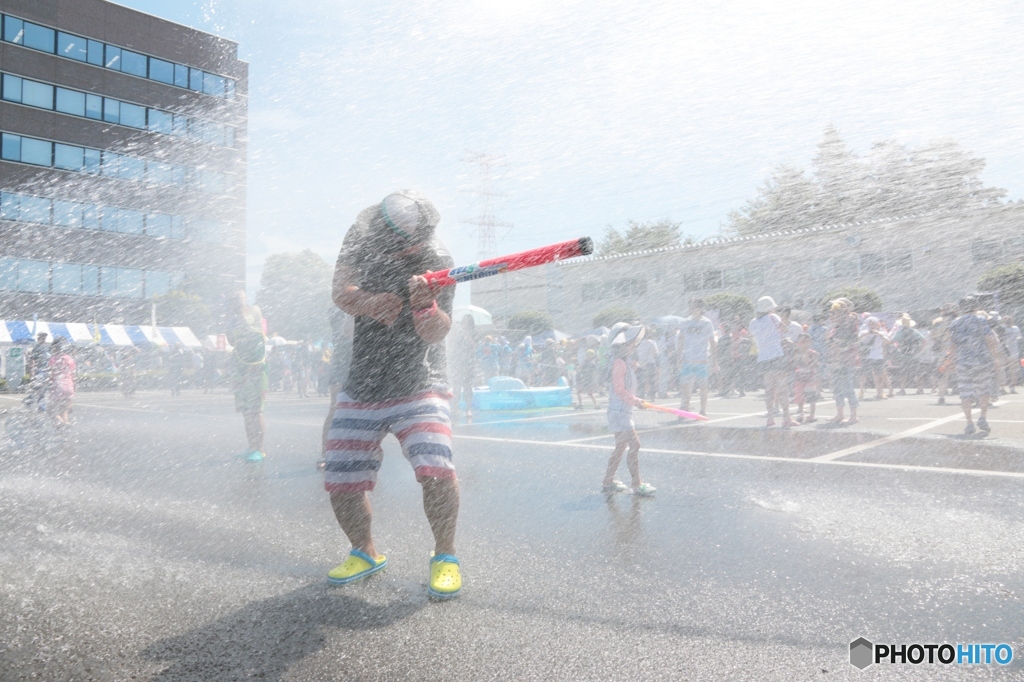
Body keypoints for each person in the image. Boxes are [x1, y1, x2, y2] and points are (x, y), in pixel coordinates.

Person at [325, 190, 461, 599]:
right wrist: (366, 301)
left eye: (418, 239)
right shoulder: (359, 238)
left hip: (419, 381)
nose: (413, 247)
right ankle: (364, 552)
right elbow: (339, 291)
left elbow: (437, 332)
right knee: (341, 477)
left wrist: (424, 308)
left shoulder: (439, 258)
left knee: (435, 466)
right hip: (363, 382)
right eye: (404, 243)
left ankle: (445, 556)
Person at [602, 325, 655, 496]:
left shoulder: (623, 361)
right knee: (635, 445)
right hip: (620, 411)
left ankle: (608, 481)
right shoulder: (618, 362)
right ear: (621, 345)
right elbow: (619, 389)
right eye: (630, 344)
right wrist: (636, 401)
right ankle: (637, 484)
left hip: (620, 410)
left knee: (620, 447)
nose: (633, 346)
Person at [948, 296, 1005, 435]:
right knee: (983, 390)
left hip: (963, 362)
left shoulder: (955, 323)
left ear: (960, 308)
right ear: (975, 307)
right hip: (982, 361)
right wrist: (996, 358)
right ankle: (982, 417)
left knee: (965, 392)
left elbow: (953, 344)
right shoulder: (981, 320)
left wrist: (951, 360)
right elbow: (990, 339)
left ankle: (969, 423)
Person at [229, 292, 269, 462]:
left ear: (245, 299)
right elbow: (232, 340)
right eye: (234, 300)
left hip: (255, 367)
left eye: (240, 298)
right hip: (240, 367)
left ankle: (259, 449)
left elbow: (250, 326)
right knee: (246, 411)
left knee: (255, 410)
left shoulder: (254, 310)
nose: (236, 302)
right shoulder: (232, 318)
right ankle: (251, 447)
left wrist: (240, 313)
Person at [749, 296, 794, 427]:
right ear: (770, 307)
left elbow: (754, 335)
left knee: (769, 389)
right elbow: (785, 329)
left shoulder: (753, 322)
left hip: (763, 357)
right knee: (782, 388)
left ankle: (770, 418)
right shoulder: (773, 317)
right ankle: (786, 418)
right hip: (777, 354)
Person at [678, 299, 717, 417]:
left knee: (703, 386)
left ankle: (703, 410)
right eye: (691, 307)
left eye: (695, 307)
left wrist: (714, 360)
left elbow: (712, 341)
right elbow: (681, 339)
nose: (693, 309)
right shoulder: (685, 322)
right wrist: (679, 356)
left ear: (701, 309)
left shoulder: (706, 323)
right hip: (687, 359)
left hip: (702, 359)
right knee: (685, 385)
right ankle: (685, 407)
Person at [826, 298, 860, 425]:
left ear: (841, 312)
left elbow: (851, 341)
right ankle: (840, 414)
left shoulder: (848, 323)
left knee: (847, 387)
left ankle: (853, 415)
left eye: (834, 313)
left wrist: (837, 344)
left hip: (846, 360)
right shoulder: (838, 325)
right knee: (837, 388)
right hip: (836, 360)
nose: (831, 315)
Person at [449, 314, 478, 422]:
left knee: (467, 387)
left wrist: (468, 337)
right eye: (464, 321)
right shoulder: (458, 333)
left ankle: (468, 409)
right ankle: (455, 408)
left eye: (467, 321)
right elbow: (453, 346)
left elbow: (475, 347)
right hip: (458, 363)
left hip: (468, 364)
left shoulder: (474, 333)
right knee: (456, 387)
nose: (465, 323)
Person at [891, 314, 926, 395]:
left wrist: (885, 342)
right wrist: (920, 350)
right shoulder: (915, 331)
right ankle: (920, 389)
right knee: (918, 373)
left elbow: (892, 341)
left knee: (903, 373)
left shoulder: (899, 332)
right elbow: (924, 340)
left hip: (904, 355)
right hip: (915, 355)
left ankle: (902, 389)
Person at [858, 317, 891, 400]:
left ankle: (880, 392)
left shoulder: (881, 332)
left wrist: (878, 334)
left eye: (873, 323)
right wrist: (868, 333)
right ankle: (861, 391)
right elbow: (858, 340)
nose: (871, 325)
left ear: (877, 324)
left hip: (878, 356)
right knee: (863, 374)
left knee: (879, 375)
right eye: (870, 323)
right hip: (866, 355)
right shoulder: (863, 331)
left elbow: (887, 341)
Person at [47, 337, 76, 426]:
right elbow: (74, 376)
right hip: (69, 386)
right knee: (64, 411)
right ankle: (65, 427)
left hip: (58, 386)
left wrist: (48, 384)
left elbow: (51, 375)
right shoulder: (69, 359)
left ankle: (63, 423)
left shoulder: (53, 359)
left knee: (50, 410)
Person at [791, 333, 819, 423]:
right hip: (799, 376)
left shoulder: (813, 353)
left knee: (811, 396)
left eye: (806, 341)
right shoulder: (796, 352)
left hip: (810, 376)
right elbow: (794, 363)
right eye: (801, 342)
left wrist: (807, 358)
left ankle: (812, 414)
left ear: (809, 342)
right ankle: (801, 413)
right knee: (799, 396)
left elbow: (815, 364)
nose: (803, 344)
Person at [635, 330, 660, 402]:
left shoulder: (637, 343)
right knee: (652, 380)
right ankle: (652, 396)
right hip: (650, 362)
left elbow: (635, 353)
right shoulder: (652, 342)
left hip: (641, 363)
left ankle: (641, 395)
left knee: (641, 380)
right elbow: (655, 352)